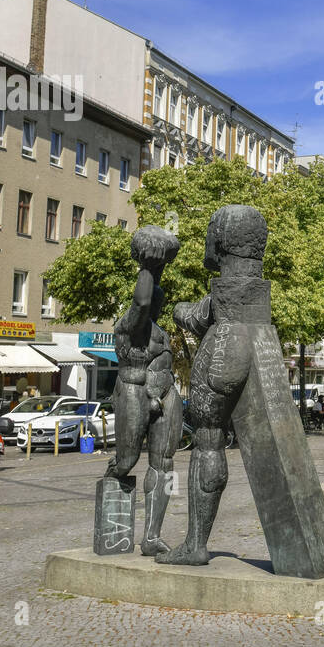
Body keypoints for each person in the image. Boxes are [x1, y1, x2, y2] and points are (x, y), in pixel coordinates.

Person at [104, 225, 182, 556]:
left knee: (164, 464)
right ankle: (112, 486)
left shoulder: (161, 333)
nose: (156, 305)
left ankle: (151, 536)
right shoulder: (129, 325)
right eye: (154, 304)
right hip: (134, 390)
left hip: (165, 395)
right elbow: (142, 298)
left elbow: (152, 296)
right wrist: (149, 265)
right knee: (127, 460)